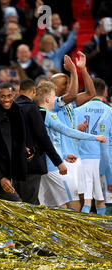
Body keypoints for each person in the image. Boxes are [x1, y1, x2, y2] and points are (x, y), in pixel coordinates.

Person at [34, 81, 107, 208]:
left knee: (52, 207)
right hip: (53, 167)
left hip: (43, 165)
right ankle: (75, 228)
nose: (55, 99)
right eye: (53, 96)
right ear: (47, 99)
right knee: (74, 202)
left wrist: (64, 155)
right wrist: (95, 137)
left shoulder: (36, 113)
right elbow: (69, 131)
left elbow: (46, 141)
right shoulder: (49, 115)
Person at [51, 52, 96, 210]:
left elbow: (91, 93)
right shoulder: (55, 103)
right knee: (72, 204)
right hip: (64, 161)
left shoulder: (71, 103)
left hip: (77, 158)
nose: (69, 85)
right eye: (65, 82)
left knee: (83, 199)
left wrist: (82, 69)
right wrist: (73, 71)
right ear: (54, 87)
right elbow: (71, 94)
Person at [13, 79, 66, 205]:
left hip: (13, 164)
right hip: (31, 164)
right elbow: (43, 137)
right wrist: (58, 162)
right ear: (34, 91)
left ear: (19, 91)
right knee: (30, 204)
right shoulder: (32, 109)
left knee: (19, 204)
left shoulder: (10, 108)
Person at [74, 78, 112, 214]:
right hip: (104, 161)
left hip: (82, 159)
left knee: (86, 198)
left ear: (87, 91)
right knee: (102, 199)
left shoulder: (77, 111)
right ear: (105, 92)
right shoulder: (109, 111)